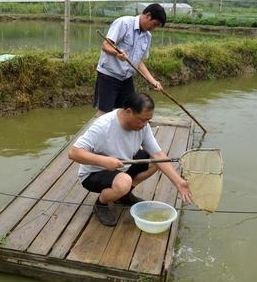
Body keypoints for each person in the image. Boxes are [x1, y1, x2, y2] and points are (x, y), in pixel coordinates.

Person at [68, 93, 193, 226]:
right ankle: (101, 204)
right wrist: (104, 161)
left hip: (122, 166)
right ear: (128, 112)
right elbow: (73, 153)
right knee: (124, 182)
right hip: (94, 173)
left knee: (158, 163)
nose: (145, 125)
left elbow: (158, 155)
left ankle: (123, 195)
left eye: (148, 120)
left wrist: (179, 182)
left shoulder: (143, 127)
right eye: (142, 120)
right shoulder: (103, 126)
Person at [94, 3, 167, 116]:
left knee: (128, 109)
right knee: (104, 112)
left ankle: (121, 133)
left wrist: (152, 80)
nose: (153, 28)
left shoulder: (147, 37)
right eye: (154, 24)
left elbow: (139, 62)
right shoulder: (124, 23)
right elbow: (106, 46)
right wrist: (117, 53)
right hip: (109, 75)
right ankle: (98, 133)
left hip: (126, 78)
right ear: (147, 15)